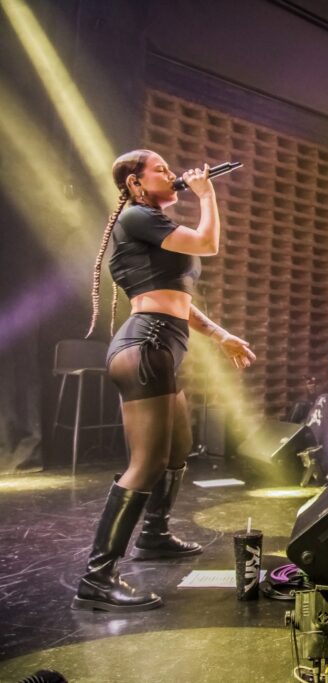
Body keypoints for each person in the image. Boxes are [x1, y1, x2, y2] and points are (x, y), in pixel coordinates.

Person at [72, 150, 255, 612]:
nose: (173, 175)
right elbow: (208, 243)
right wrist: (206, 194)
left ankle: (153, 535)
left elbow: (178, 301)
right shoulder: (136, 217)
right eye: (161, 170)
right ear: (135, 184)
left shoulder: (153, 226)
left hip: (160, 346)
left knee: (177, 449)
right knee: (147, 462)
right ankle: (97, 577)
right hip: (146, 344)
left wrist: (221, 335)